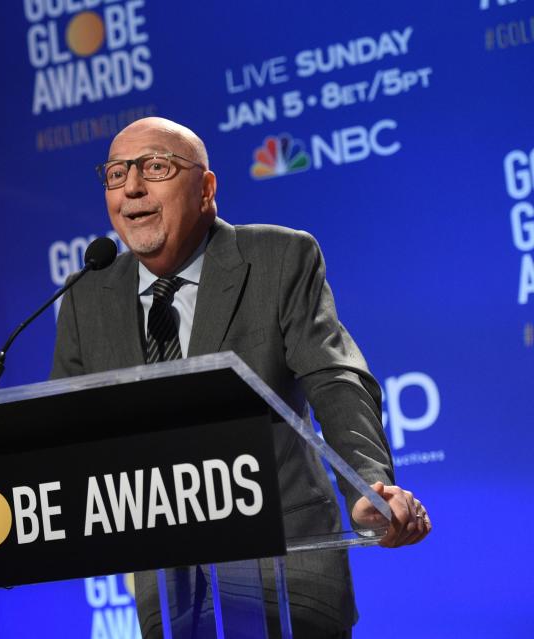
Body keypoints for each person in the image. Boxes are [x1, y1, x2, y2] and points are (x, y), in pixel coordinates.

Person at [50, 117, 431, 638]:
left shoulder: (277, 258)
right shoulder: (87, 296)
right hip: (168, 588)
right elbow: (65, 435)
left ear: (206, 189)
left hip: (287, 568)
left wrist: (366, 484)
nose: (132, 187)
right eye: (116, 174)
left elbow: (334, 375)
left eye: (155, 167)